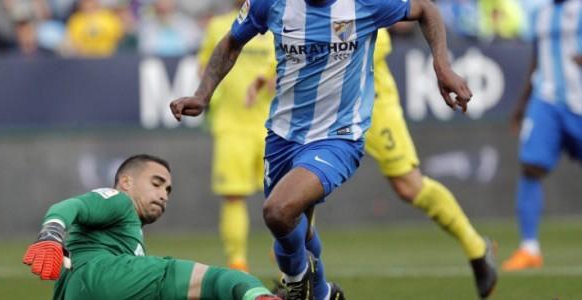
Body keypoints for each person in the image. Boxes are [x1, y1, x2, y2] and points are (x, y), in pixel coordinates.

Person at [170, 0, 480, 299]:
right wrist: (203, 94)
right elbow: (230, 43)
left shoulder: (366, 4)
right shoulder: (271, 3)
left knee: (278, 210)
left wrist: (441, 65)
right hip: (282, 135)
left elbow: (426, 8)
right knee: (292, 225)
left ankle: (296, 283)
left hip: (339, 135)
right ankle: (321, 294)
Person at [247, 28, 498, 299]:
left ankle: (476, 248)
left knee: (409, 187)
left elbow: (384, 37)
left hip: (374, 104)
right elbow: (299, 33)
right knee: (298, 192)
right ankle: (306, 287)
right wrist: (268, 71)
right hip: (324, 111)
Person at [22, 154, 281, 300]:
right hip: (102, 277)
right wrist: (51, 233)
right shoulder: (118, 200)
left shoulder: (126, 231)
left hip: (75, 293)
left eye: (168, 189)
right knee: (221, 281)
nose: (164, 194)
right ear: (125, 181)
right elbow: (71, 206)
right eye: (156, 183)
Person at [197, 0, 276, 273]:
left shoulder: (274, 18)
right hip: (241, 126)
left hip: (269, 125)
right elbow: (205, 69)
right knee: (238, 196)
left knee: (289, 195)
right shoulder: (273, 19)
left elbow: (204, 69)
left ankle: (267, 256)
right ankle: (239, 263)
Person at [503, 0, 582, 272]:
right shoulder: (541, 14)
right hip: (546, 100)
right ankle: (529, 248)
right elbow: (537, 59)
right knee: (530, 167)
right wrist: (521, 105)